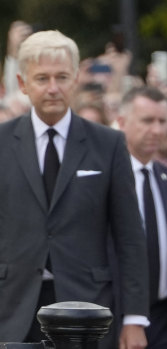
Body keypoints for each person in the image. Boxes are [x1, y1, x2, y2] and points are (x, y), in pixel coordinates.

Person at [0, 30, 149, 348]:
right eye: (42, 78)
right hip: (11, 309)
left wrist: (135, 318)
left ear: (76, 78)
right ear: (23, 83)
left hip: (89, 310)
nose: (53, 88)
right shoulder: (1, 142)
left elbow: (130, 237)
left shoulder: (108, 144)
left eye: (62, 77)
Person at [117, 87, 167, 349]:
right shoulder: (104, 178)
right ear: (122, 121)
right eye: (147, 121)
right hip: (117, 315)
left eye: (162, 121)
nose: (157, 130)